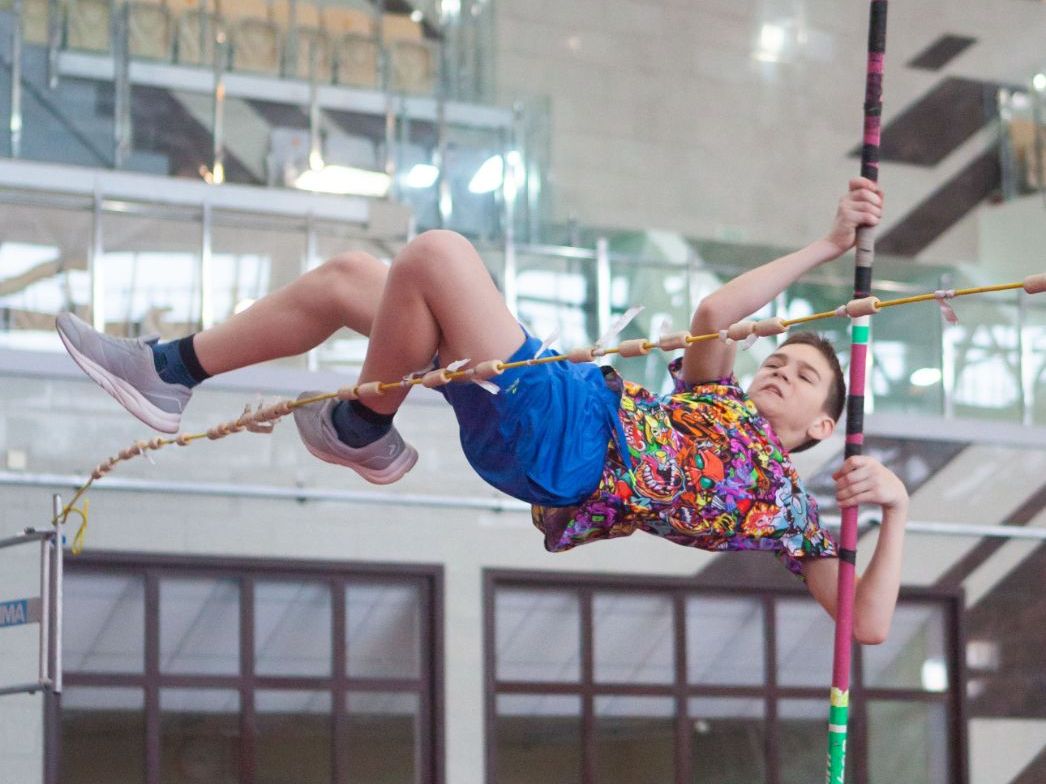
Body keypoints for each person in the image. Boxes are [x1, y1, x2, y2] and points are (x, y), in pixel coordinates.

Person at [56, 177, 907, 644]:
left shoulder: (790, 512)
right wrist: (829, 245)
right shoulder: (713, 399)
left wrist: (895, 508)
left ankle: (364, 427)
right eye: (780, 359)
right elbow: (717, 312)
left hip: (577, 448)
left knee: (436, 255)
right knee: (355, 279)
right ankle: (171, 372)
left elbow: (867, 624)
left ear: (821, 429)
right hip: (562, 411)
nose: (779, 370)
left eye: (802, 377)